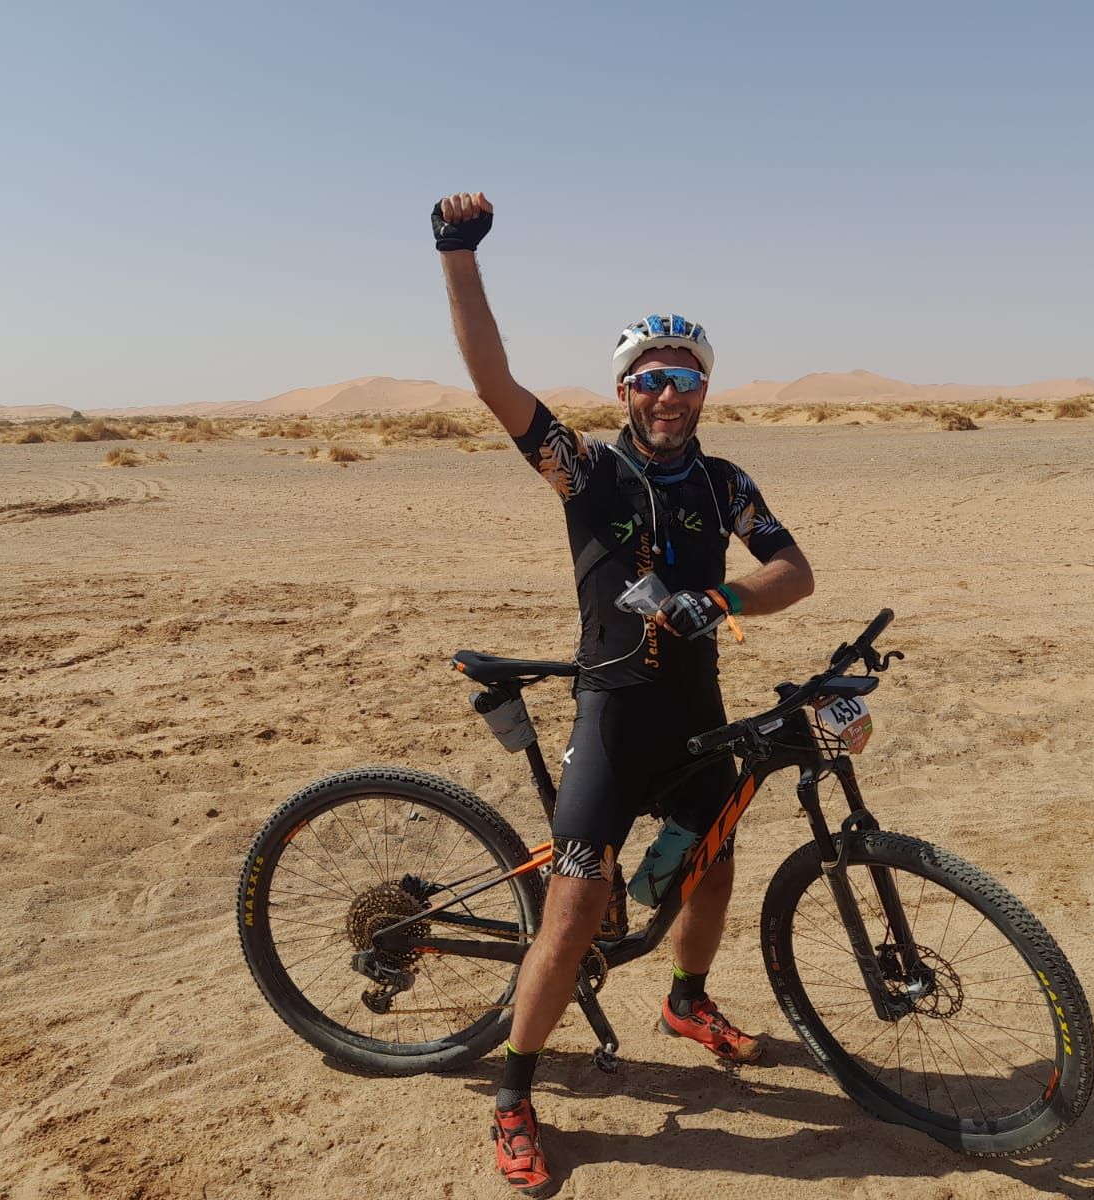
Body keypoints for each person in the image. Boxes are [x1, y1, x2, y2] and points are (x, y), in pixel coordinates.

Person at [433, 191, 815, 1197]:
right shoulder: (587, 472)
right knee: (575, 903)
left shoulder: (724, 483)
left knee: (713, 864)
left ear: (702, 388)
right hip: (611, 716)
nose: (668, 393)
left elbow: (793, 574)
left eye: (684, 377)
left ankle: (685, 999)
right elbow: (491, 380)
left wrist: (717, 598)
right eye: (650, 379)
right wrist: (458, 256)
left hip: (694, 718)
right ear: (627, 390)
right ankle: (512, 1093)